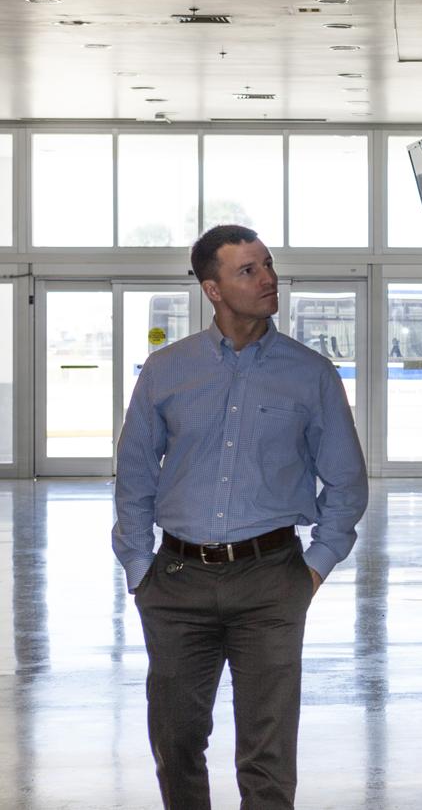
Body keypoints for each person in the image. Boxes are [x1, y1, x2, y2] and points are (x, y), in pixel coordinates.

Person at [113, 224, 369, 810]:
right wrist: (138, 566)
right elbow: (134, 474)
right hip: (176, 581)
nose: (268, 278)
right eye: (248, 270)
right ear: (213, 289)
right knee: (176, 740)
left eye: (269, 265)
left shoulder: (311, 373)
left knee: (268, 752)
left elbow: (347, 481)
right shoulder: (167, 369)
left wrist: (314, 566)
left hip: (272, 579)